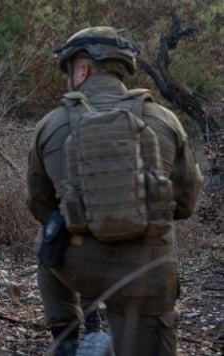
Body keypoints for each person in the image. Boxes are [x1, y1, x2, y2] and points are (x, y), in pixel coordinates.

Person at [27, 26, 203, 355]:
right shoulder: (165, 120)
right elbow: (185, 204)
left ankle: (65, 340)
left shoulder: (49, 126)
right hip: (146, 275)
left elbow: (40, 205)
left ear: (82, 69)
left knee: (47, 244)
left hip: (76, 269)